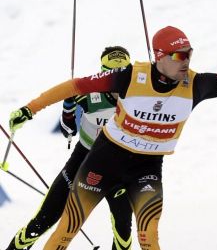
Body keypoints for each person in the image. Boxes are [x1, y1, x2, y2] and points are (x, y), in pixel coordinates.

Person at [8, 26, 217, 250]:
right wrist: (30, 108)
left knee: (149, 236)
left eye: (189, 53)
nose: (186, 60)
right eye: (178, 55)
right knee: (67, 228)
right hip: (104, 160)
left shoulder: (196, 84)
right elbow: (74, 86)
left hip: (145, 168)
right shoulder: (130, 76)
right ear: (160, 57)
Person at [5, 46, 134, 250]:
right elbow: (66, 101)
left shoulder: (141, 97)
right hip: (83, 159)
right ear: (103, 73)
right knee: (44, 219)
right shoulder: (91, 94)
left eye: (125, 72)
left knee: (123, 228)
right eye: (113, 74)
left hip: (119, 165)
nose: (120, 80)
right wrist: (60, 117)